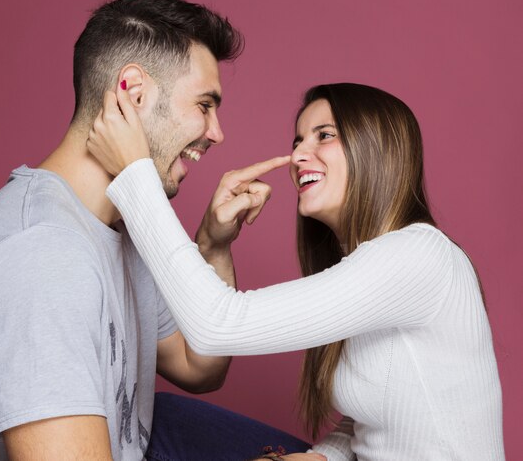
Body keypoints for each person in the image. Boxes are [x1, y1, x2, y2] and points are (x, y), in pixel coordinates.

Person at [0, 0, 314, 461]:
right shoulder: (41, 258)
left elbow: (200, 367)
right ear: (132, 93)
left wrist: (212, 245)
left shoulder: (120, 228)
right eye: (205, 105)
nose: (217, 133)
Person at [87, 81, 505, 461]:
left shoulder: (418, 255)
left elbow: (216, 324)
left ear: (377, 148)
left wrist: (133, 174)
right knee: (167, 418)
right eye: (298, 140)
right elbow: (376, 419)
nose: (299, 155)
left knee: (164, 428)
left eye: (324, 136)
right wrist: (324, 457)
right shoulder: (376, 262)